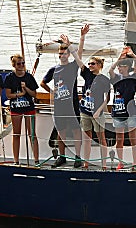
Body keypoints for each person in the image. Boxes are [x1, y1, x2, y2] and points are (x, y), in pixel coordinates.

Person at [41, 25, 88, 168]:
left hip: (72, 104)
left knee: (75, 131)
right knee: (60, 132)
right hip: (59, 104)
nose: (63, 55)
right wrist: (52, 92)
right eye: (60, 53)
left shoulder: (73, 66)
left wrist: (82, 37)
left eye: (65, 52)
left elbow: (78, 54)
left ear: (68, 54)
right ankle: (62, 157)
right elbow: (42, 82)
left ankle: (78, 157)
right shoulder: (54, 69)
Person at [109, 46, 136, 170]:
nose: (120, 68)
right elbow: (110, 69)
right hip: (118, 113)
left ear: (128, 67)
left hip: (131, 113)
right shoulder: (115, 78)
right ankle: (121, 162)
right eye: (119, 66)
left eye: (123, 66)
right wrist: (120, 58)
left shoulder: (133, 78)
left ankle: (135, 162)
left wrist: (133, 55)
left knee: (133, 139)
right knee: (119, 140)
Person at [4, 54, 39, 165]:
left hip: (29, 108)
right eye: (19, 64)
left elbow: (34, 94)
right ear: (14, 65)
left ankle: (36, 160)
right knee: (16, 134)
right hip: (16, 109)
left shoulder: (29, 77)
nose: (21, 65)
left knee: (32, 134)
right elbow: (8, 95)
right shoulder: (9, 77)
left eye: (23, 63)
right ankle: (16, 160)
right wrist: (20, 94)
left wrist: (25, 89)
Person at [78, 55, 110, 169]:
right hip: (85, 111)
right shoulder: (87, 74)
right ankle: (86, 163)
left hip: (97, 113)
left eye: (93, 64)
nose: (90, 65)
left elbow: (107, 98)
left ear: (99, 65)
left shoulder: (104, 80)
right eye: (89, 64)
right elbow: (78, 60)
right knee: (87, 138)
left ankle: (104, 164)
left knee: (101, 139)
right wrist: (70, 46)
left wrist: (98, 111)